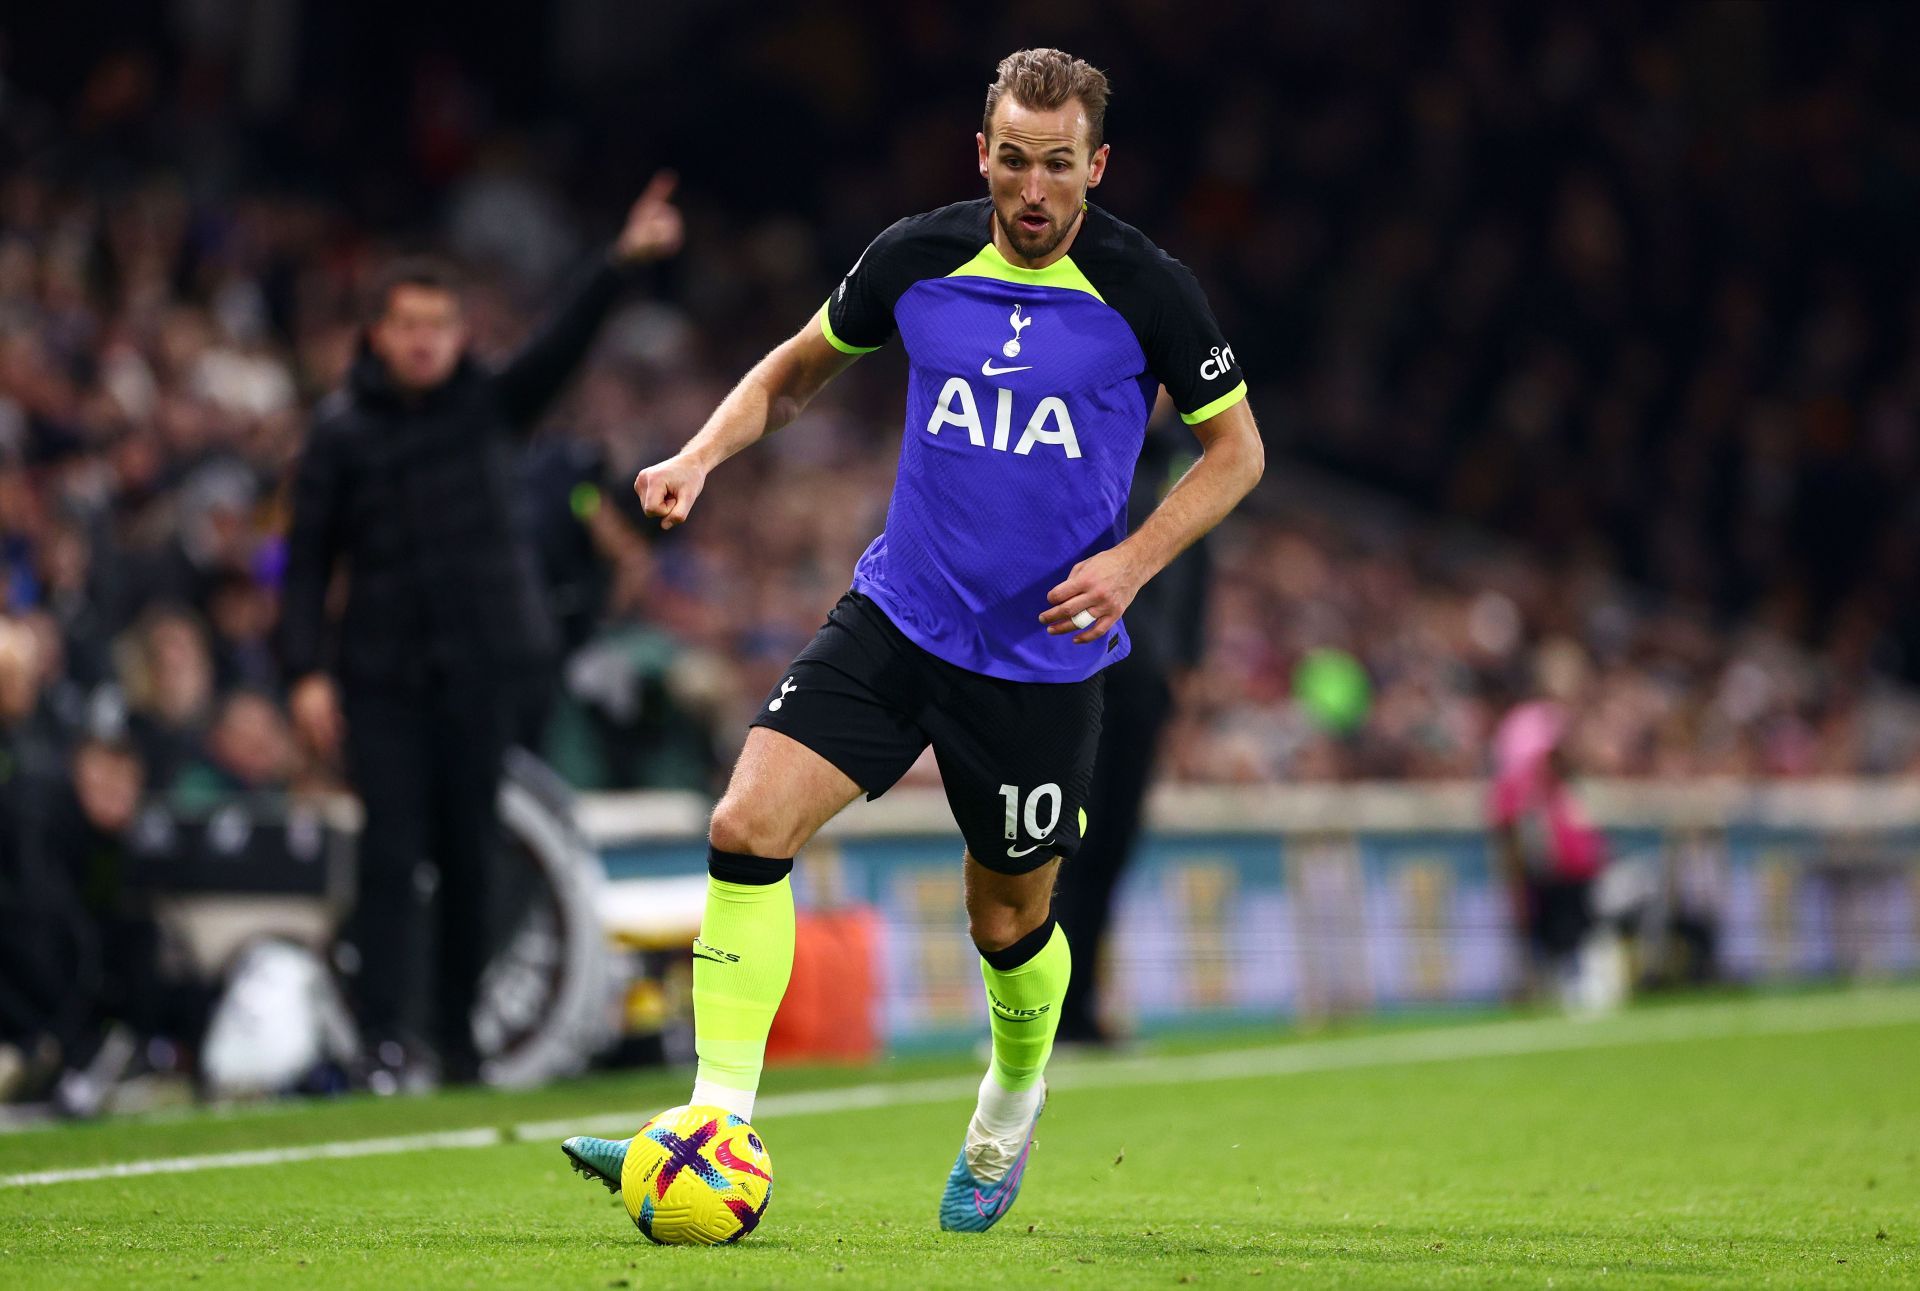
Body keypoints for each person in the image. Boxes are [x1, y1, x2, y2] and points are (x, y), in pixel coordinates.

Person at [559, 49, 1262, 1233]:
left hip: (1040, 661)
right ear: (980, 152)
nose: (1032, 191)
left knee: (1006, 924)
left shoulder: (1148, 288)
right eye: (1013, 160)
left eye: (1057, 166)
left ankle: (1009, 1103)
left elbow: (1237, 450)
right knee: (744, 823)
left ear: (1097, 165)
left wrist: (1133, 562)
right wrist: (697, 455)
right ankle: (712, 1122)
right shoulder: (919, 256)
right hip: (898, 618)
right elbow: (792, 377)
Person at [278, 175, 683, 1088]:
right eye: (407, 324)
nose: (424, 341)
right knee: (389, 856)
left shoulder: (488, 409)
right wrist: (304, 674)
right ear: (376, 333)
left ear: (459, 333)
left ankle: (459, 1043)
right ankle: (385, 1040)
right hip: (379, 679)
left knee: (470, 854)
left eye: (438, 323)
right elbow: (305, 562)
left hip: (481, 676)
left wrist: (620, 263)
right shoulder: (339, 435)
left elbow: (561, 346)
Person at [1052, 407, 1212, 1046]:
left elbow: (1199, 571)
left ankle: (1081, 1006)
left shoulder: (1185, 463)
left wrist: (1187, 662)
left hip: (1145, 680)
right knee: (1056, 847)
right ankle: (1035, 1014)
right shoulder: (1076, 436)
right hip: (1076, 672)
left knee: (1112, 846)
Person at [1489, 700, 1608, 1007]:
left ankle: (1571, 978)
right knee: (1549, 932)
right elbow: (1517, 839)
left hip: (1574, 881)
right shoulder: (1521, 789)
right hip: (1544, 882)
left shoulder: (1563, 787)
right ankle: (1551, 982)